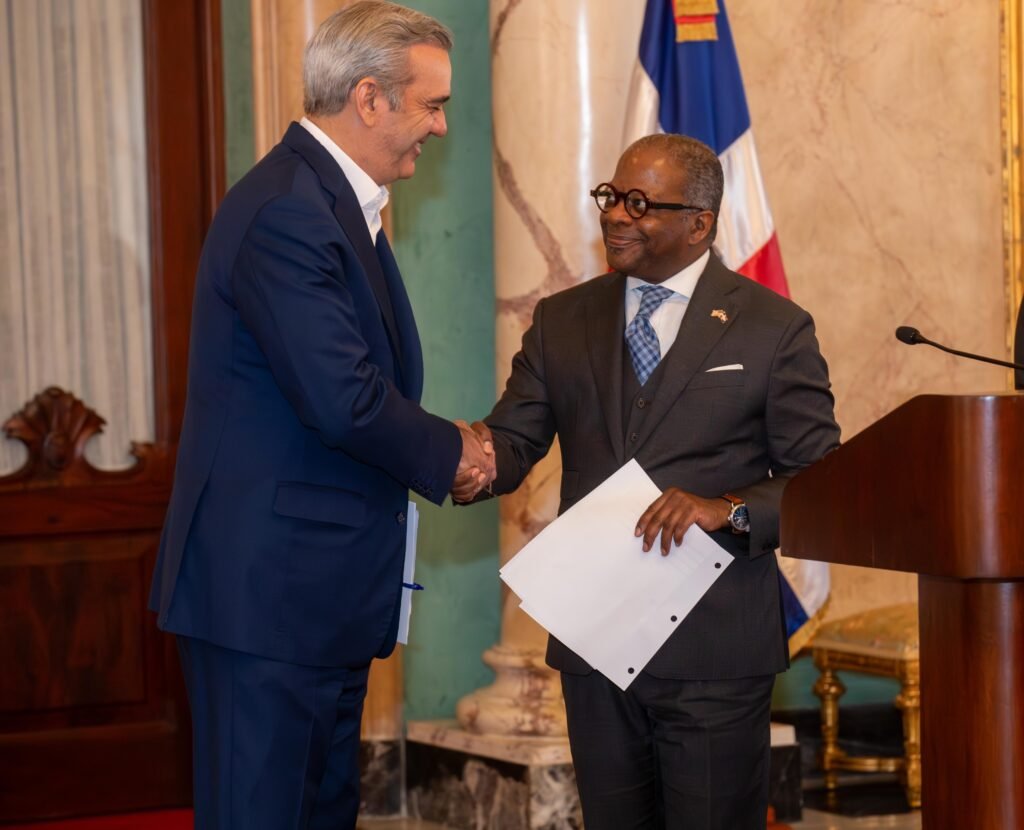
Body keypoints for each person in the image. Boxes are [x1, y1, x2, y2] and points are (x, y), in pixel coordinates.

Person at [149, 3, 492, 828]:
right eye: (432, 105)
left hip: (315, 598)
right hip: (269, 601)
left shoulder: (330, 202)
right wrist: (456, 452)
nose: (441, 127)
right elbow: (345, 398)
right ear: (369, 98)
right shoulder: (289, 210)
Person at [454, 134, 841, 829]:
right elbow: (512, 440)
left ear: (699, 222)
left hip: (715, 650)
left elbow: (821, 483)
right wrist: (457, 456)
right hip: (597, 643)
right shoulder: (562, 320)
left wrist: (727, 508)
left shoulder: (773, 328)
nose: (614, 215)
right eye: (611, 197)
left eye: (639, 204)